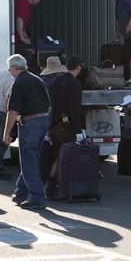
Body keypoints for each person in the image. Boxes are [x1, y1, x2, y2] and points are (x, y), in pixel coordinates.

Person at [3, 54, 51, 210]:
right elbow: (48, 104)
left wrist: (6, 132)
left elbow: (13, 110)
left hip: (30, 122)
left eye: (9, 68)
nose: (9, 71)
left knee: (28, 161)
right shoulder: (37, 79)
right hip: (43, 120)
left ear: (15, 68)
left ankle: (38, 197)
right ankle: (20, 193)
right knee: (31, 158)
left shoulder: (19, 83)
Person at [45, 56, 84, 198]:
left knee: (57, 155)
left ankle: (51, 185)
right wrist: (78, 129)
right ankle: (65, 187)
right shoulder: (74, 84)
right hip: (65, 126)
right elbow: (75, 109)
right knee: (67, 156)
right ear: (78, 67)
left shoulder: (55, 82)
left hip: (53, 124)